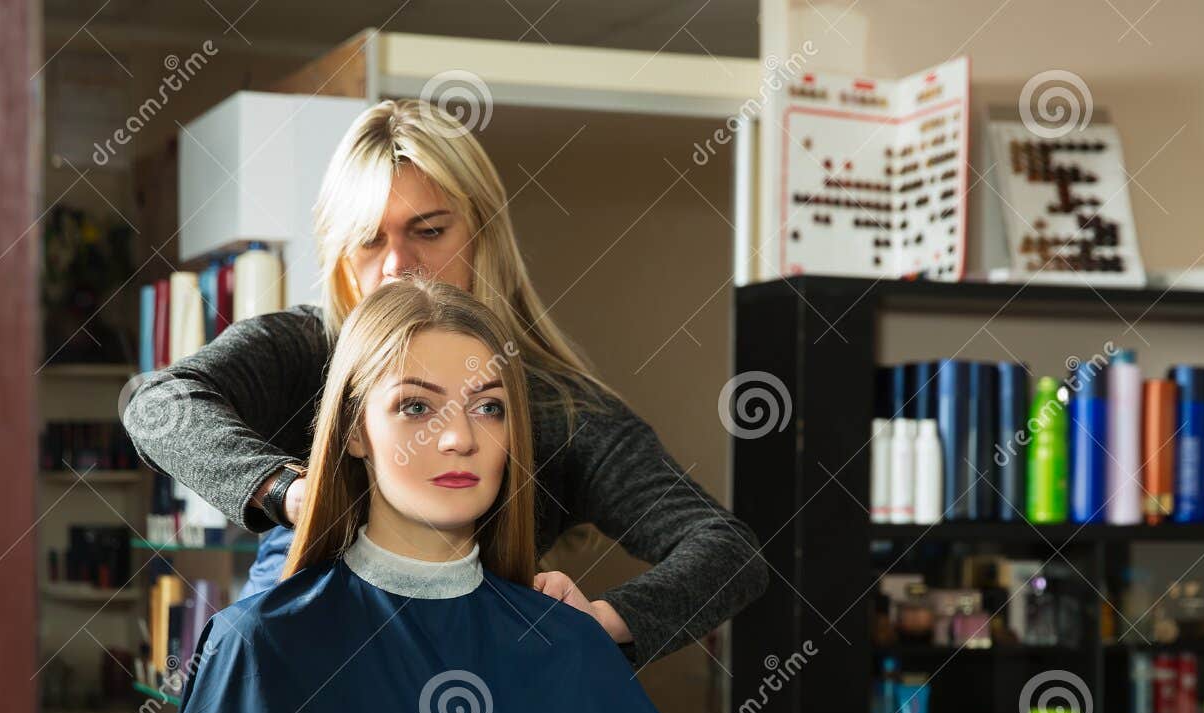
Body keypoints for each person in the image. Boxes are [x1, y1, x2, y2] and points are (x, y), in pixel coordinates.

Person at [106, 279, 814, 713]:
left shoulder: (563, 646)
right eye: (416, 406)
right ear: (354, 431)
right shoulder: (263, 647)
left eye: (489, 408)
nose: (458, 438)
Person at [119, 98, 766, 669]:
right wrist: (290, 490)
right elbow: (156, 404)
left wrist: (600, 626)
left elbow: (726, 551)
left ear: (484, 235)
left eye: (428, 231)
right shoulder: (303, 352)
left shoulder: (562, 412)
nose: (398, 265)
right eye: (369, 240)